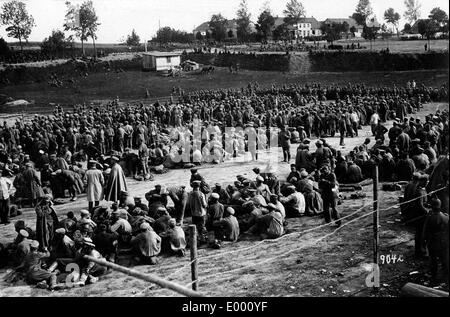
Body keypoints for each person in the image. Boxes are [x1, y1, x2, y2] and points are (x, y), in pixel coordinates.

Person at [422, 198, 449, 285]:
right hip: (443, 242)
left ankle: (434, 276)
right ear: (440, 206)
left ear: (432, 207)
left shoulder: (429, 217)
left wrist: (425, 240)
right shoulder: (446, 217)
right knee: (444, 259)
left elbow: (425, 230)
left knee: (433, 260)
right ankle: (446, 275)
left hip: (433, 242)